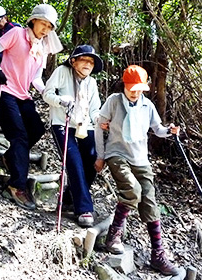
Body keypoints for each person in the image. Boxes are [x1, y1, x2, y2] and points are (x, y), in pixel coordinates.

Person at [94, 65, 180, 276]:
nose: (135, 92)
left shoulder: (147, 105)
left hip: (141, 159)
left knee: (150, 203)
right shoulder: (114, 101)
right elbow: (99, 125)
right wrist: (100, 155)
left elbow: (157, 129)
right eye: (132, 88)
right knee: (132, 190)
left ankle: (158, 255)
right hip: (117, 154)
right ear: (124, 85)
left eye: (139, 88)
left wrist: (170, 131)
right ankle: (113, 235)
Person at [0, 4, 63, 210]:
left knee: (36, 129)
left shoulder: (43, 47)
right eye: (43, 23)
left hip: (23, 94)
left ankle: (10, 158)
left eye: (50, 27)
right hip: (4, 90)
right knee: (19, 136)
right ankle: (16, 186)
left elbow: (36, 78)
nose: (45, 29)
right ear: (33, 20)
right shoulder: (16, 34)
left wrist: (49, 94)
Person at [42, 45, 103, 227]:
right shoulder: (62, 72)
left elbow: (94, 109)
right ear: (73, 61)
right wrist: (61, 101)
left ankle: (70, 197)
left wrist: (100, 121)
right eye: (84, 59)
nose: (88, 64)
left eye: (91, 62)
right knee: (74, 161)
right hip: (63, 123)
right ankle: (84, 208)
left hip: (85, 125)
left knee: (93, 160)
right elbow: (47, 94)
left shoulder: (91, 83)